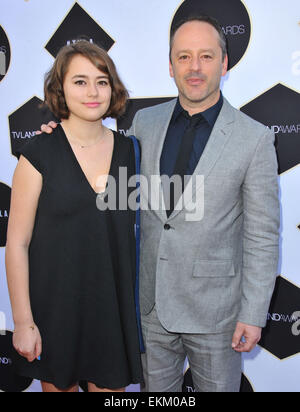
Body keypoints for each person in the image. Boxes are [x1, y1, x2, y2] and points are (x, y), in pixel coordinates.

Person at [40, 15, 280, 392]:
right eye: (184, 57)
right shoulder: (142, 124)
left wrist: (253, 313)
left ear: (225, 63)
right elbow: (96, 151)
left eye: (206, 56)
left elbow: (262, 236)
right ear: (171, 66)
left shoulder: (255, 139)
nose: (195, 67)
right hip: (148, 308)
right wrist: (59, 135)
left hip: (216, 314)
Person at [5, 40, 143, 392]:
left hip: (112, 312)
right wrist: (23, 321)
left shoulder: (131, 151)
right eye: (79, 81)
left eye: (101, 80)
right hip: (55, 313)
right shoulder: (37, 153)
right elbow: (17, 244)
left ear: (113, 88)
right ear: (60, 89)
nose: (93, 91)